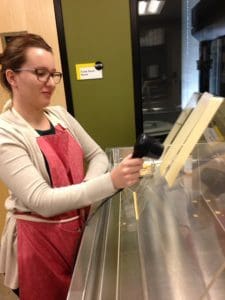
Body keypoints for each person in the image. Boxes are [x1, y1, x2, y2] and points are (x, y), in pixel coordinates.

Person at [0, 33, 143, 300]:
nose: (50, 83)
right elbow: (40, 200)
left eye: (54, 74)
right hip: (38, 246)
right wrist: (109, 182)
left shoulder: (60, 115)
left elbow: (98, 155)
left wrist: (86, 186)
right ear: (12, 77)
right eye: (40, 73)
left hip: (76, 230)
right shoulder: (5, 133)